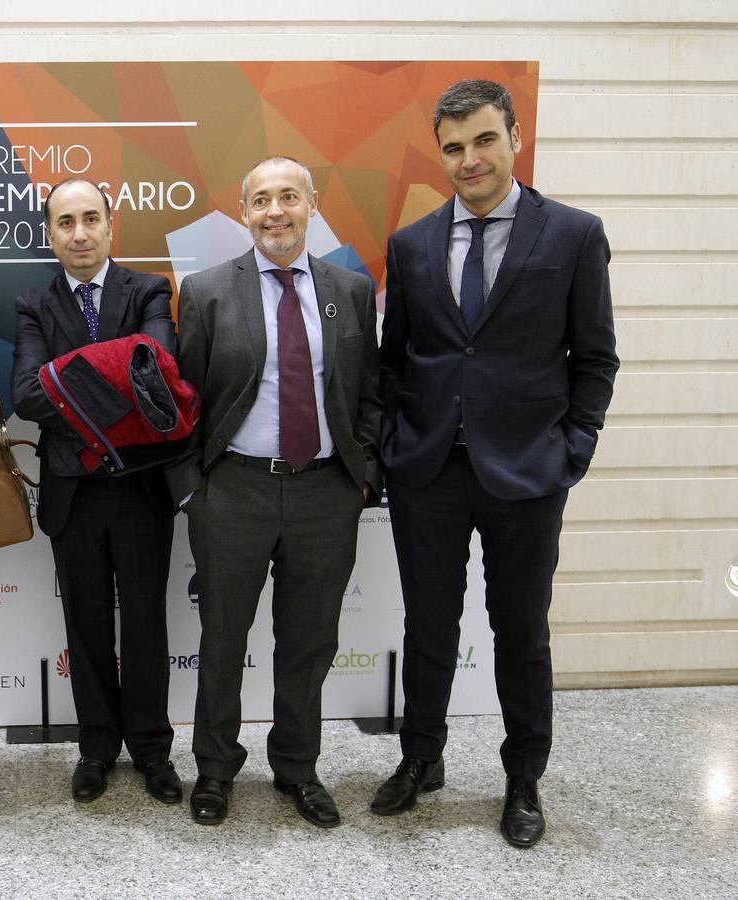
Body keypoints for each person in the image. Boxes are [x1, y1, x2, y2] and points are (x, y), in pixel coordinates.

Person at [372, 79, 617, 848]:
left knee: (521, 632)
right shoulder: (412, 244)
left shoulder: (573, 235)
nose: (469, 159)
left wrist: (571, 450)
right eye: (453, 147)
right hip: (429, 471)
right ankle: (422, 759)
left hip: (527, 473)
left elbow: (596, 358)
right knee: (429, 628)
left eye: (483, 140)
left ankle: (522, 778)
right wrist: (390, 447)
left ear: (514, 136)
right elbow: (395, 361)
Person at [167, 157, 382, 828]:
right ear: (243, 211)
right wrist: (190, 491)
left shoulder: (350, 290)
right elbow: (184, 403)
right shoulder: (205, 291)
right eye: (261, 199)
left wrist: (362, 475)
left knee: (310, 642)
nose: (275, 211)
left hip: (325, 495)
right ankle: (214, 770)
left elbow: (371, 393)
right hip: (233, 492)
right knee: (224, 638)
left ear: (312, 204)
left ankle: (297, 768)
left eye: (289, 196)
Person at [10, 178, 183, 806]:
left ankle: (152, 748)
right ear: (50, 234)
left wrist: (68, 379)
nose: (79, 233)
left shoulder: (150, 290)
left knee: (144, 623)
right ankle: (97, 748)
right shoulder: (33, 302)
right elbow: (27, 396)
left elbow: (156, 373)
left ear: (111, 226)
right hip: (73, 493)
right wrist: (116, 375)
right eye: (65, 222)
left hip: (140, 490)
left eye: (90, 219)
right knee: (84, 624)